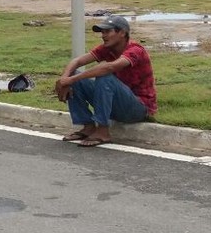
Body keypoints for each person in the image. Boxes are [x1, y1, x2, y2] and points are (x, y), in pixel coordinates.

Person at [53, 15, 157, 148]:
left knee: (104, 76)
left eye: (108, 31)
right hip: (116, 103)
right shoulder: (107, 48)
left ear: (122, 33)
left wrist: (70, 79)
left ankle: (102, 131)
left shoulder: (135, 50)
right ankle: (88, 127)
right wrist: (64, 79)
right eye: (102, 32)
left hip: (138, 108)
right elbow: (77, 61)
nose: (103, 35)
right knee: (74, 76)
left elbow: (109, 67)